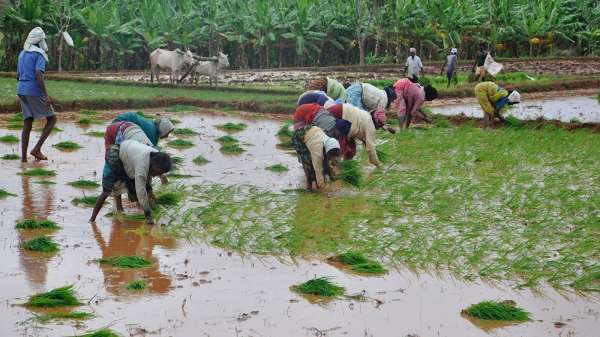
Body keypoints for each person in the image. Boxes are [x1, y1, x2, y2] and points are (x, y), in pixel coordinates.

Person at [90, 140, 173, 224]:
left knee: (136, 186)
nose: (155, 176)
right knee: (107, 190)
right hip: (116, 153)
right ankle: (92, 219)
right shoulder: (142, 166)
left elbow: (146, 185)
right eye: (157, 173)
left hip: (129, 155)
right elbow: (141, 192)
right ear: (155, 165)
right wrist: (148, 215)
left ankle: (120, 210)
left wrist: (152, 197)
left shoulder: (156, 156)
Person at [17, 27, 56, 162]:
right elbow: (39, 75)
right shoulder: (39, 54)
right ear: (40, 41)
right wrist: (45, 95)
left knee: (27, 121)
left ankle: (23, 159)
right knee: (52, 118)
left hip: (21, 89)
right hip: (33, 90)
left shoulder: (22, 53)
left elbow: (18, 75)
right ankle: (36, 149)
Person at [292, 126, 340, 190]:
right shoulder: (318, 149)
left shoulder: (332, 142)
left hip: (314, 133)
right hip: (299, 137)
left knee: (323, 162)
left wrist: (333, 173)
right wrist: (322, 186)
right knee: (308, 163)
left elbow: (331, 161)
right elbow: (318, 169)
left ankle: (318, 183)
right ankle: (309, 187)